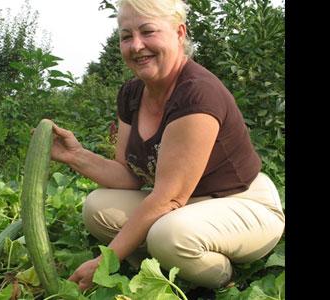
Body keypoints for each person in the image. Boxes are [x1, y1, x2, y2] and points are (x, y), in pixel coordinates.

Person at [49, 0, 285, 292]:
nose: (136, 46)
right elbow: (129, 175)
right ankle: (162, 266)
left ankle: (224, 279)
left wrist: (104, 260)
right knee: (97, 208)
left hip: (242, 203)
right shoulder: (132, 94)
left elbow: (168, 199)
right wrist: (75, 155)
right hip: (186, 205)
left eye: (148, 32)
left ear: (179, 32)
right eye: (126, 36)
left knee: (168, 236)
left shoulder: (197, 94)